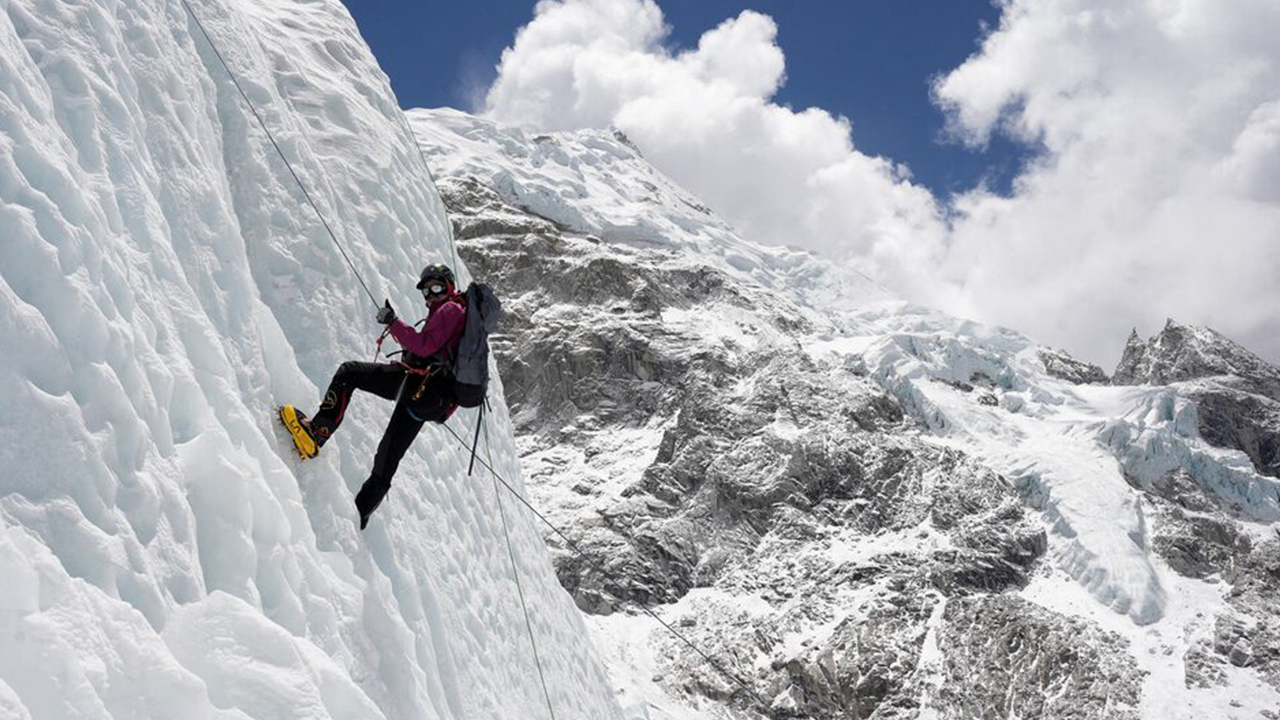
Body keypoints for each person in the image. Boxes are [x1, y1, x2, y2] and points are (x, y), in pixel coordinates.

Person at [279, 264, 465, 529]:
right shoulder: (454, 314)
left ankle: (317, 433)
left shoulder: (450, 310)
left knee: (349, 372)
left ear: (448, 286)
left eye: (436, 287)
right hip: (430, 400)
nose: (430, 295)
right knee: (388, 455)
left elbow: (424, 347)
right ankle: (360, 513)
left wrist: (393, 322)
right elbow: (431, 349)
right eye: (426, 290)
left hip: (419, 387)